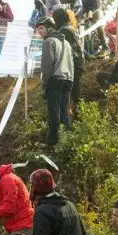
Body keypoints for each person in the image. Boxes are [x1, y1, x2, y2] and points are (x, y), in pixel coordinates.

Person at [37, 17, 73, 146]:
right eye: (38, 29)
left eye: (41, 28)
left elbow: (47, 66)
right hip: (68, 79)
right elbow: (71, 63)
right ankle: (66, 139)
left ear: (49, 27)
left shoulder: (48, 42)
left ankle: (52, 141)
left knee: (54, 111)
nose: (39, 32)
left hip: (55, 79)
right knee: (64, 110)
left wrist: (44, 86)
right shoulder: (66, 43)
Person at [52, 8, 84, 115]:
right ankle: (74, 112)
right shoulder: (69, 28)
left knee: (73, 89)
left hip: (74, 63)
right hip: (76, 62)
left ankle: (75, 113)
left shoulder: (64, 30)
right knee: (74, 88)